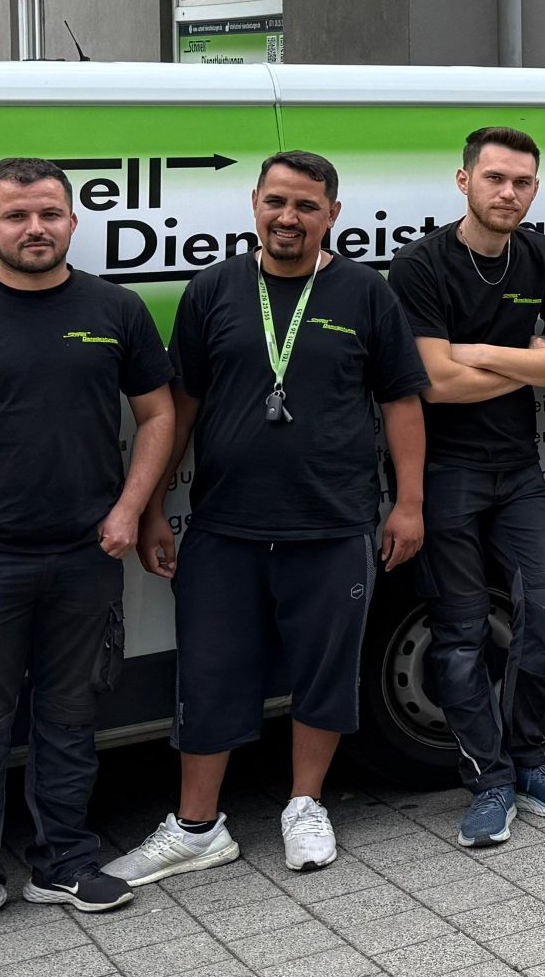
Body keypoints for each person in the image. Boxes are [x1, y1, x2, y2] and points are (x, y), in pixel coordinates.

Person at [110, 153, 428, 887]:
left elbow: (401, 401)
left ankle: (305, 805)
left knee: (325, 669)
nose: (289, 217)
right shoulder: (214, 288)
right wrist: (154, 505)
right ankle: (197, 827)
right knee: (210, 671)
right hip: (226, 525)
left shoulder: (366, 292)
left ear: (332, 215)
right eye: (276, 201)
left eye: (306, 206)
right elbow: (181, 406)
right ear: (254, 202)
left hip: (334, 521)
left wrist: (409, 503)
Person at [0, 162, 175, 949]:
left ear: (72, 221)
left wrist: (129, 510)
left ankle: (62, 862)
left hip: (85, 556)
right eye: (18, 215)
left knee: (70, 718)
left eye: (50, 214)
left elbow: (158, 415)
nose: (36, 228)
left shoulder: (115, 309)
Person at [387, 128, 545, 849]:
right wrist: (528, 361)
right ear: (464, 180)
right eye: (496, 178)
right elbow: (435, 384)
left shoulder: (544, 256)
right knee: (460, 633)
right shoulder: (420, 265)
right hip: (446, 473)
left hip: (520, 471)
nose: (509, 193)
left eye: (522, 182)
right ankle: (489, 780)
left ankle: (529, 761)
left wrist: (477, 353)